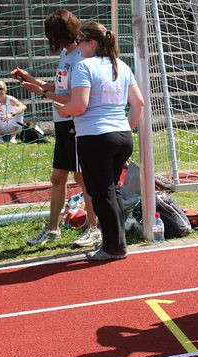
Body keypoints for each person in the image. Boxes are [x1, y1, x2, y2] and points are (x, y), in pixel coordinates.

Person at [50, 21, 144, 261]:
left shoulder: (85, 66)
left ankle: (114, 246)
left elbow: (79, 105)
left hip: (95, 136)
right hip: (121, 136)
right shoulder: (120, 65)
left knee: (100, 194)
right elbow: (138, 103)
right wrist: (125, 128)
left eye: (80, 41)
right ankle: (116, 241)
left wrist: (63, 109)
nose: (77, 46)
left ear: (91, 42)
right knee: (110, 191)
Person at [13, 10, 101, 249]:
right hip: (62, 123)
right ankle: (53, 228)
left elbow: (73, 96)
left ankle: (95, 228)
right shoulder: (65, 54)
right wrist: (30, 79)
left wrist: (42, 92)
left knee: (82, 177)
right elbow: (59, 88)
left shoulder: (79, 59)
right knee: (57, 177)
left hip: (75, 122)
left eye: (51, 34)